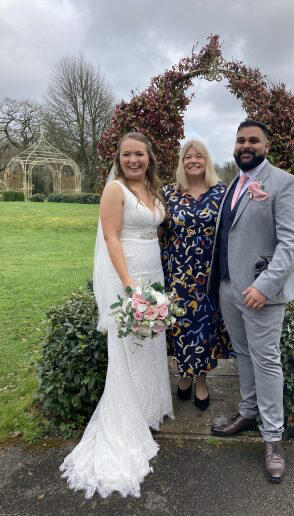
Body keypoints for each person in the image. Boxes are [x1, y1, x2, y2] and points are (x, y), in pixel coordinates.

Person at [60, 132, 173, 498]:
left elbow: (154, 229)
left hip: (153, 272)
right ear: (119, 158)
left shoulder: (153, 188)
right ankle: (128, 418)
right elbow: (111, 237)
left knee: (150, 343)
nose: (133, 160)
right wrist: (128, 284)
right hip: (129, 275)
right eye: (127, 154)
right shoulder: (115, 189)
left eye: (139, 154)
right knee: (128, 348)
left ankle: (148, 410)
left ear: (149, 157)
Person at [209, 119, 294, 483]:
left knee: (266, 361)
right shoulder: (234, 183)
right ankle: (248, 412)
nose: (245, 145)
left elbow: (290, 242)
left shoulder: (284, 182)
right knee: (244, 354)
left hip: (261, 294)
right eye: (240, 140)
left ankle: (273, 438)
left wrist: (264, 287)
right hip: (229, 289)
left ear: (266, 146)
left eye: (253, 140)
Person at [162, 140, 231, 411]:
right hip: (177, 272)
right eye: (187, 157)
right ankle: (183, 374)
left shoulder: (221, 192)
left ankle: (201, 380)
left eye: (199, 156)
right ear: (181, 162)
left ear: (207, 161)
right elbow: (158, 230)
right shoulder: (168, 193)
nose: (193, 161)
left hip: (208, 273)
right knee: (179, 325)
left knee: (204, 328)